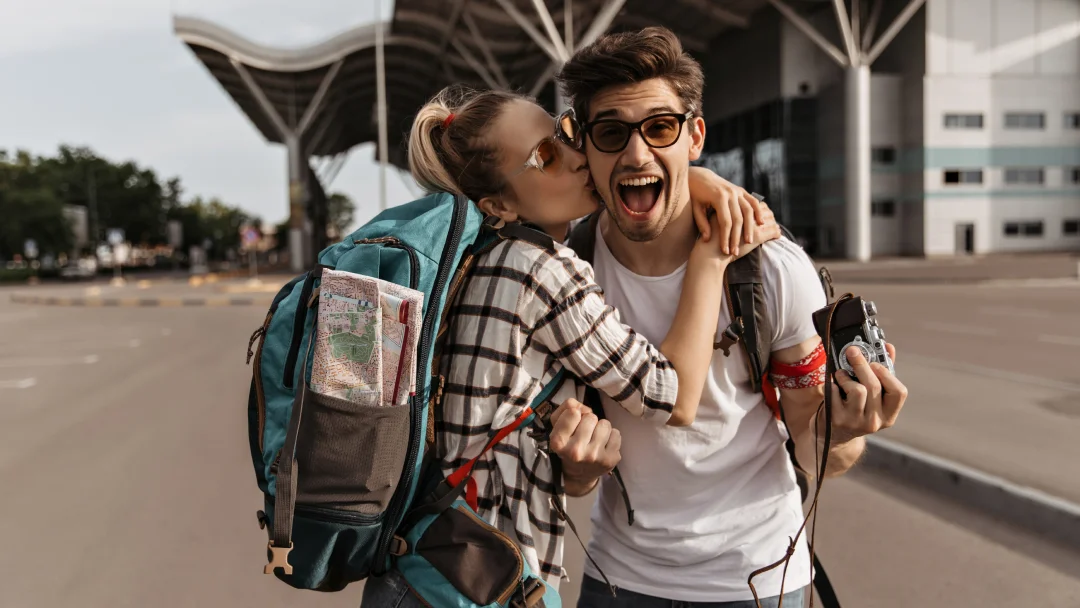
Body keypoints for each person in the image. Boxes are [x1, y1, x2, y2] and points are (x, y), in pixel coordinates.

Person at [359, 85, 780, 607]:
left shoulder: (478, 259)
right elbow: (671, 395)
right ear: (499, 204)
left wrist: (695, 179)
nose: (577, 157)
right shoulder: (541, 270)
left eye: (563, 134)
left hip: (421, 570)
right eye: (546, 156)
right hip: (478, 584)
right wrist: (712, 257)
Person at [548, 27, 910, 607]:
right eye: (612, 133)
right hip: (619, 578)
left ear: (694, 136)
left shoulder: (771, 269)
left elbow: (817, 447)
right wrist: (578, 466)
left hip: (758, 580)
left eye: (659, 128)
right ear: (585, 147)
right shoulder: (567, 275)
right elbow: (577, 479)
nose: (636, 154)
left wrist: (844, 431)